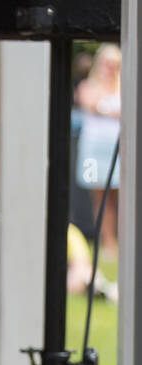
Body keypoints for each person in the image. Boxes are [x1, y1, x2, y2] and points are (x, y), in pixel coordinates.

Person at [75, 44, 121, 257]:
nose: (108, 69)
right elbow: (88, 103)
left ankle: (123, 241)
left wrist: (104, 108)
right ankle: (108, 243)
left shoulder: (124, 86)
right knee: (100, 199)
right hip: (94, 149)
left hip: (120, 150)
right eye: (106, 64)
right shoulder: (87, 85)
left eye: (114, 65)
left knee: (122, 198)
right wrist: (110, 110)